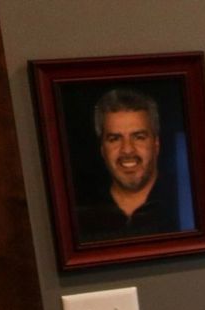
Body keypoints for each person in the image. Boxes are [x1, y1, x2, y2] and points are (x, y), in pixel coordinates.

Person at [76, 88, 183, 241]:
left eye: (139, 137)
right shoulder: (81, 215)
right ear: (102, 149)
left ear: (156, 144)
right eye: (115, 139)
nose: (127, 149)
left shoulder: (182, 203)